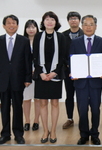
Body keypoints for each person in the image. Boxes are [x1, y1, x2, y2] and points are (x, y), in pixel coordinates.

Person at [0, 15, 32, 145]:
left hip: (18, 80)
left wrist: (27, 78)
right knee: (4, 108)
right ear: (4, 26)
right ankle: (5, 134)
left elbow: (27, 61)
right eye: (8, 23)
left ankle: (19, 134)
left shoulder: (23, 41)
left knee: (17, 107)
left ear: (18, 25)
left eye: (14, 23)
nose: (11, 25)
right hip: (2, 79)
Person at [70, 15, 102, 145]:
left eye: (91, 24)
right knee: (82, 109)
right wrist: (72, 72)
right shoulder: (75, 42)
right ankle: (84, 134)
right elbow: (72, 61)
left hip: (96, 83)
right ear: (82, 26)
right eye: (85, 24)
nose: (88, 27)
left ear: (96, 27)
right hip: (80, 82)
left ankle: (95, 134)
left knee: (96, 109)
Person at [33, 11, 66, 143]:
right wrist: (41, 72)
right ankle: (45, 130)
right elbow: (34, 56)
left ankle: (53, 131)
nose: (50, 21)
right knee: (42, 103)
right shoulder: (38, 36)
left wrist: (54, 72)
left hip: (55, 74)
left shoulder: (61, 37)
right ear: (43, 22)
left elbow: (63, 57)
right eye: (47, 19)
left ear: (56, 22)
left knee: (54, 103)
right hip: (41, 75)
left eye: (52, 19)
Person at [62, 11, 84, 129]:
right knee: (69, 95)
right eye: (71, 18)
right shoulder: (62, 35)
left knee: (81, 96)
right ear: (68, 21)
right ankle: (70, 118)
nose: (73, 20)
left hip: (82, 72)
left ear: (79, 20)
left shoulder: (84, 33)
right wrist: (67, 65)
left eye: (75, 18)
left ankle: (83, 118)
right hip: (67, 70)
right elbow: (61, 54)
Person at [22, 20, 41, 131]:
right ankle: (27, 121)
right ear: (25, 29)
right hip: (26, 75)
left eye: (33, 27)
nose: (31, 29)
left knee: (37, 99)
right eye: (28, 27)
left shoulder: (40, 41)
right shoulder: (22, 41)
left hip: (38, 74)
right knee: (26, 99)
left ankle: (36, 121)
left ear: (37, 29)